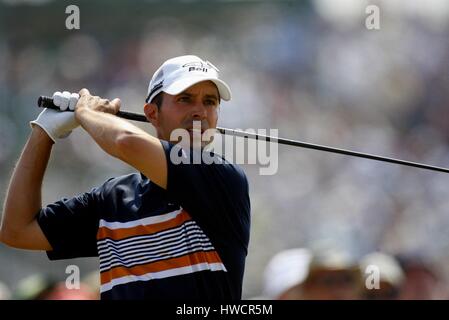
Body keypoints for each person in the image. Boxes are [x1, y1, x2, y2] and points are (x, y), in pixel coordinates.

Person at [0, 55, 251, 300]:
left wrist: (86, 113)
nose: (200, 112)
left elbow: (125, 141)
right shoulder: (112, 199)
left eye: (210, 101)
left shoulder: (222, 178)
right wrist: (43, 133)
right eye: (185, 99)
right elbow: (18, 230)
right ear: (152, 114)